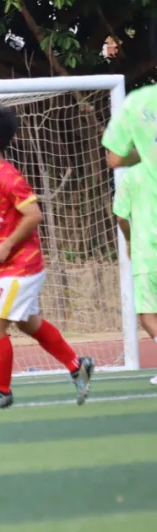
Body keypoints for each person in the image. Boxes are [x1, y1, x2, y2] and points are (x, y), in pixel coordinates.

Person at [0, 106, 94, 413]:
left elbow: (33, 215)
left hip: (22, 266)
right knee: (28, 323)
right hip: (8, 267)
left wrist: (8, 245)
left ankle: (1, 391)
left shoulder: (9, 178)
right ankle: (77, 366)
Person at [111, 164, 157, 386]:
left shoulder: (131, 176)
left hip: (147, 254)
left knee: (147, 314)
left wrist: (129, 240)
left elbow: (121, 218)